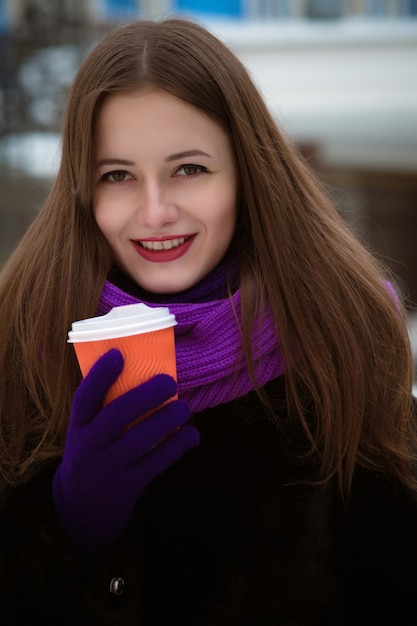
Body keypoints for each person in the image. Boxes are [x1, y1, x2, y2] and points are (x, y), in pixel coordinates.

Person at [0, 17, 416, 625]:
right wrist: (67, 530)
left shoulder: (345, 337)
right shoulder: (22, 342)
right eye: (117, 175)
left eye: (189, 169)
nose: (155, 211)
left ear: (247, 174)